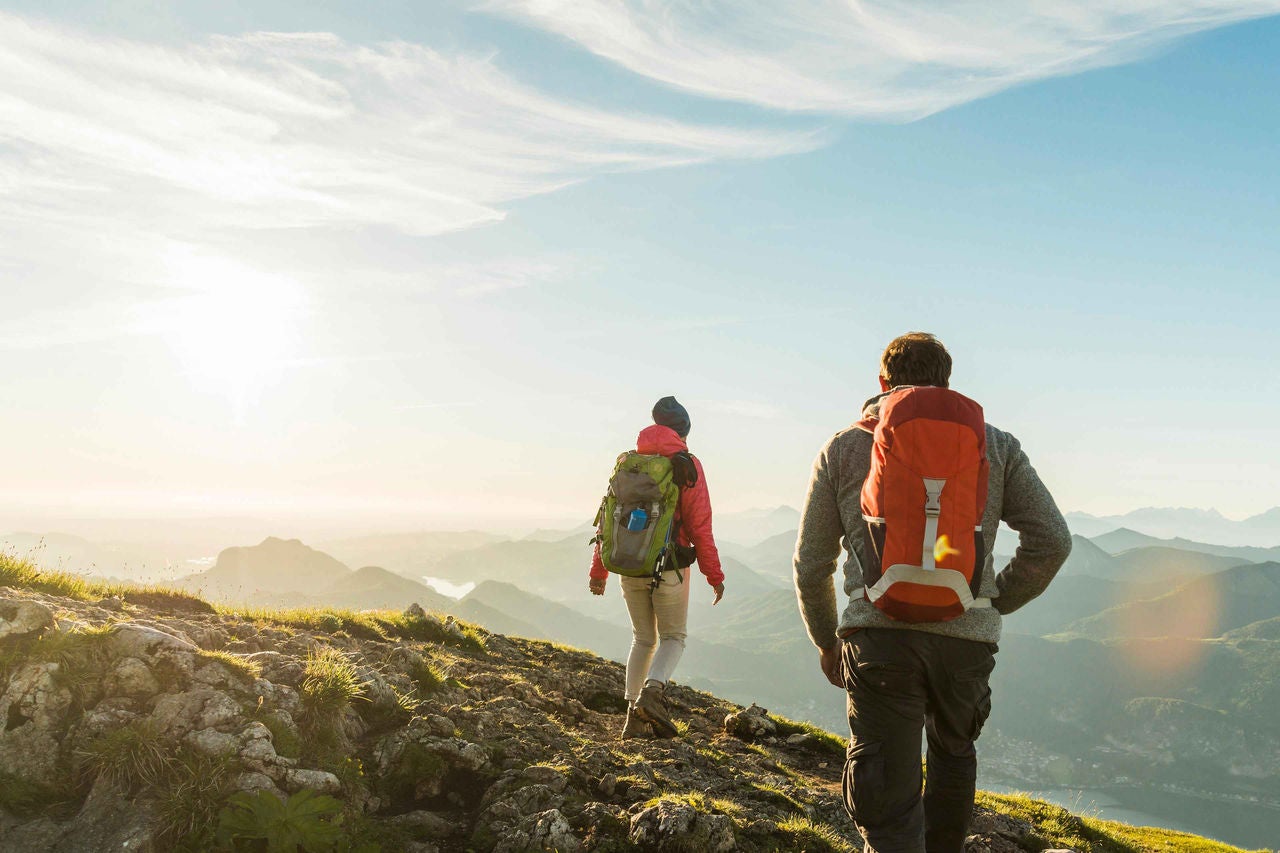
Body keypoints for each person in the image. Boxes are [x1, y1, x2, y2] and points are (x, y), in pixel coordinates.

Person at [793, 333, 1071, 853]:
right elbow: (1053, 541)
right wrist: (991, 601)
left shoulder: (845, 447)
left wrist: (826, 640)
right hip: (965, 641)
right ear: (946, 383)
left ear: (882, 383)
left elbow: (811, 564)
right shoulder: (996, 444)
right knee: (953, 753)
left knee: (886, 790)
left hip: (878, 639)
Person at [589, 396, 725, 739]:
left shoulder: (627, 462)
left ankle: (632, 718)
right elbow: (700, 526)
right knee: (674, 638)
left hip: (629, 565)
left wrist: (598, 571)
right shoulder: (685, 464)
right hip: (668, 568)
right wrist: (714, 575)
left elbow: (607, 518)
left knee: (642, 638)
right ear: (682, 431)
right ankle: (652, 693)